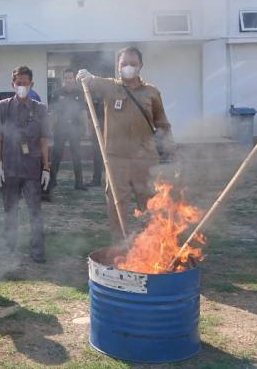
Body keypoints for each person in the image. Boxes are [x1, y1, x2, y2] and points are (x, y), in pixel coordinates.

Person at [77, 46, 173, 243]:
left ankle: (151, 246)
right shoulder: (111, 87)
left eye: (133, 63)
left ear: (141, 65)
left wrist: (170, 151)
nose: (128, 67)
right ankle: (120, 247)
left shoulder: (152, 92)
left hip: (145, 159)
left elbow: (163, 124)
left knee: (149, 204)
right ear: (118, 65)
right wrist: (86, 76)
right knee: (116, 204)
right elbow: (93, 81)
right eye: (124, 64)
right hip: (116, 159)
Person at [0, 66, 51, 263]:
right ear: (13, 84)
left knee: (35, 212)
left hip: (32, 169)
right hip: (10, 168)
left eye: (25, 83)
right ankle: (8, 248)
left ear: (32, 84)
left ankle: (38, 251)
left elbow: (43, 140)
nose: (22, 86)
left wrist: (46, 168)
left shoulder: (40, 109)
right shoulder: (3, 107)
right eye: (18, 83)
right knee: (10, 211)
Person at [45, 68, 87, 198]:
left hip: (75, 128)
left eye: (71, 78)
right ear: (63, 80)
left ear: (74, 79)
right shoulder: (57, 93)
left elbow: (83, 112)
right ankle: (52, 181)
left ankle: (79, 183)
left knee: (77, 155)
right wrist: (50, 128)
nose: (69, 80)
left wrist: (86, 128)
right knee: (56, 155)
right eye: (66, 78)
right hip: (60, 128)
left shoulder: (80, 93)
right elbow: (52, 112)